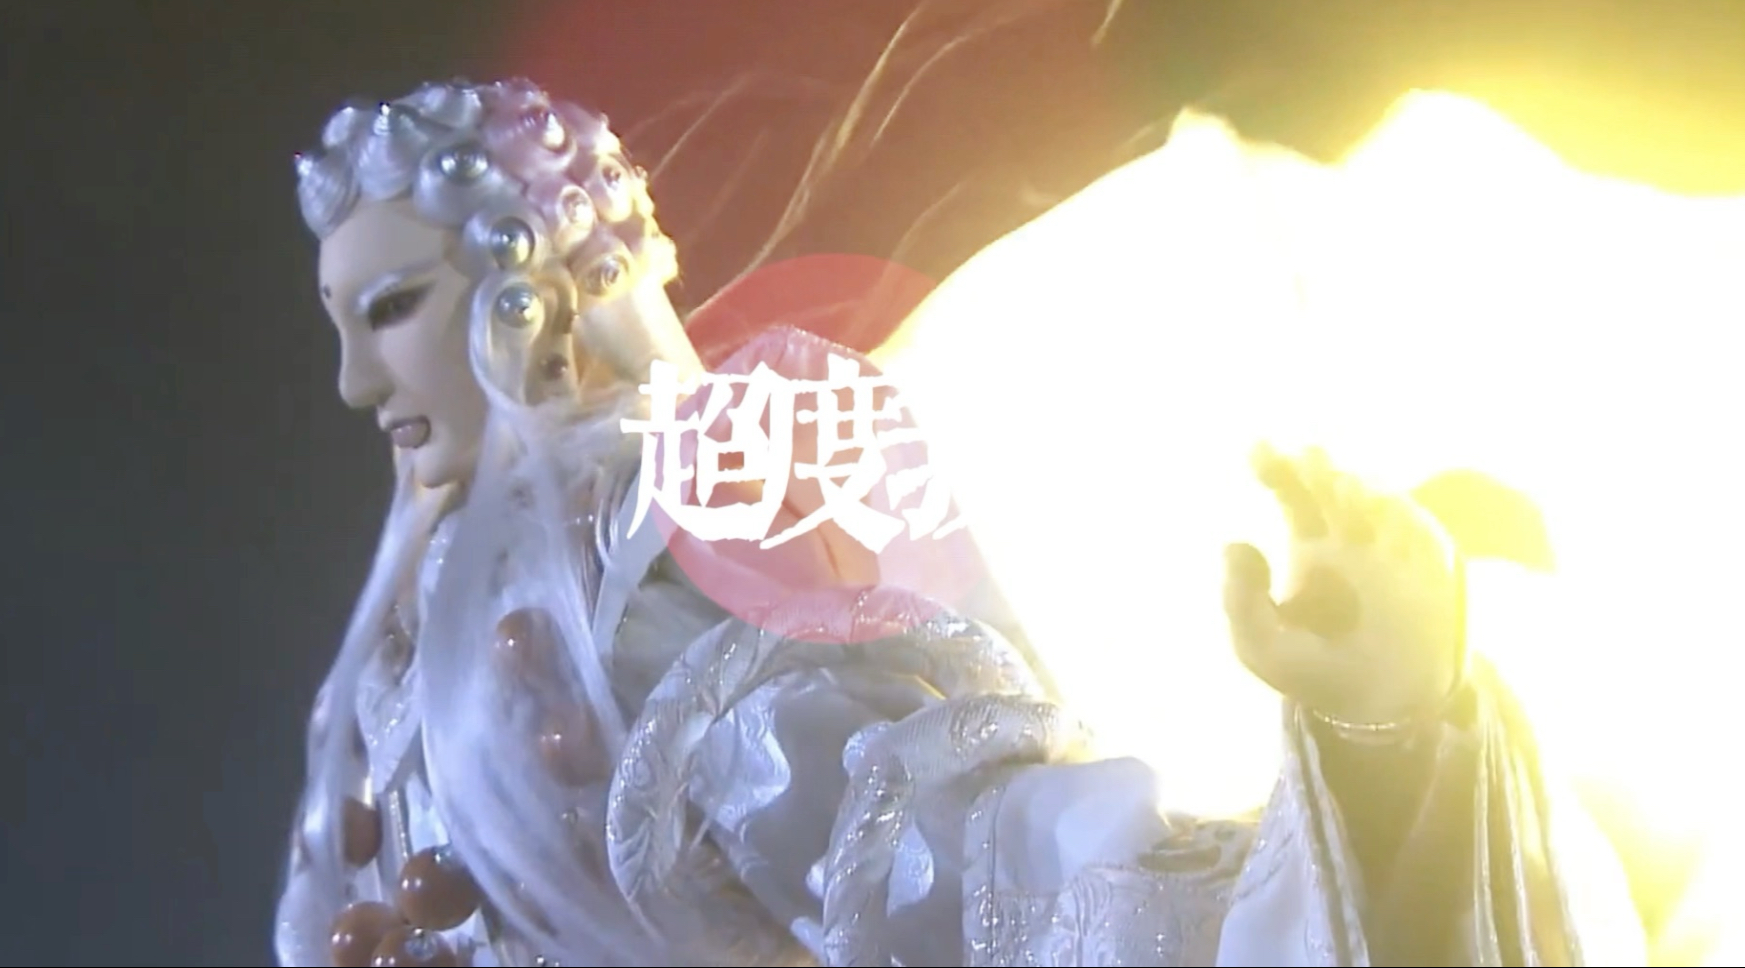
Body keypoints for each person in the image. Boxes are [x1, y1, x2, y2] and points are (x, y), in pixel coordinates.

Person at [274, 78, 1644, 966]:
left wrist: (1381, 746)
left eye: (392, 311)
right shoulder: (440, 627)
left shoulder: (659, 558)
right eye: (345, 322)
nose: (354, 384)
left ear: (530, 292)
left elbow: (977, 878)